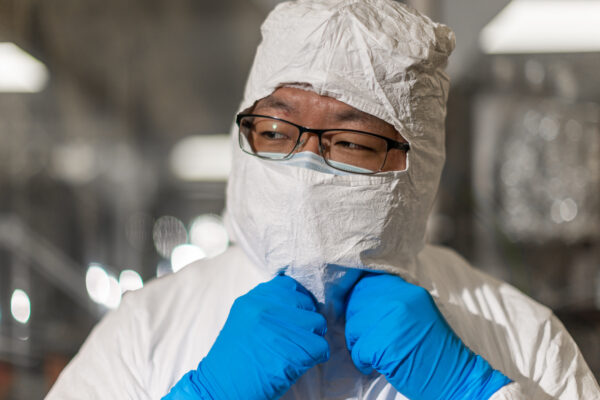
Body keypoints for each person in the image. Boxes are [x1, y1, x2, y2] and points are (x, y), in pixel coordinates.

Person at [47, 0, 600, 399]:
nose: (304, 165)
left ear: (419, 162)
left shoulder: (520, 337)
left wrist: (470, 391)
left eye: (353, 142)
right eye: (276, 131)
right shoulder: (146, 330)